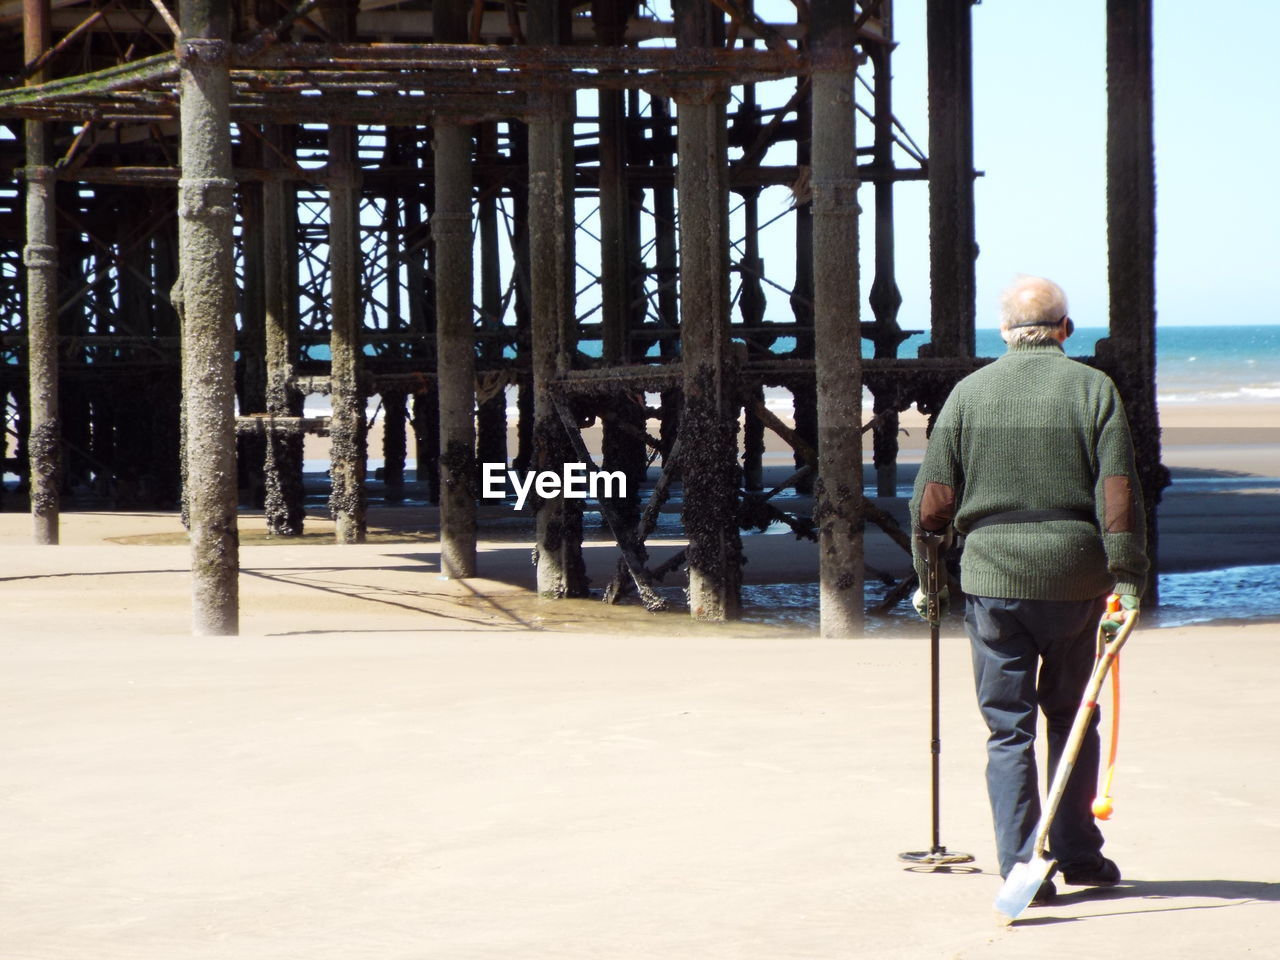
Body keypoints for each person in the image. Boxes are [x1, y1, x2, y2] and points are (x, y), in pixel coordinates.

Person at [908, 275, 1148, 905]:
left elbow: (933, 504)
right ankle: (1077, 853)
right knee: (1073, 718)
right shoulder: (1094, 389)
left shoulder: (969, 394)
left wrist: (929, 579)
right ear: (1065, 329)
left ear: (1005, 333)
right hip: (1076, 581)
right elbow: (1117, 494)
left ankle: (1023, 867)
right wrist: (1127, 575)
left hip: (993, 582)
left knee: (1007, 728)